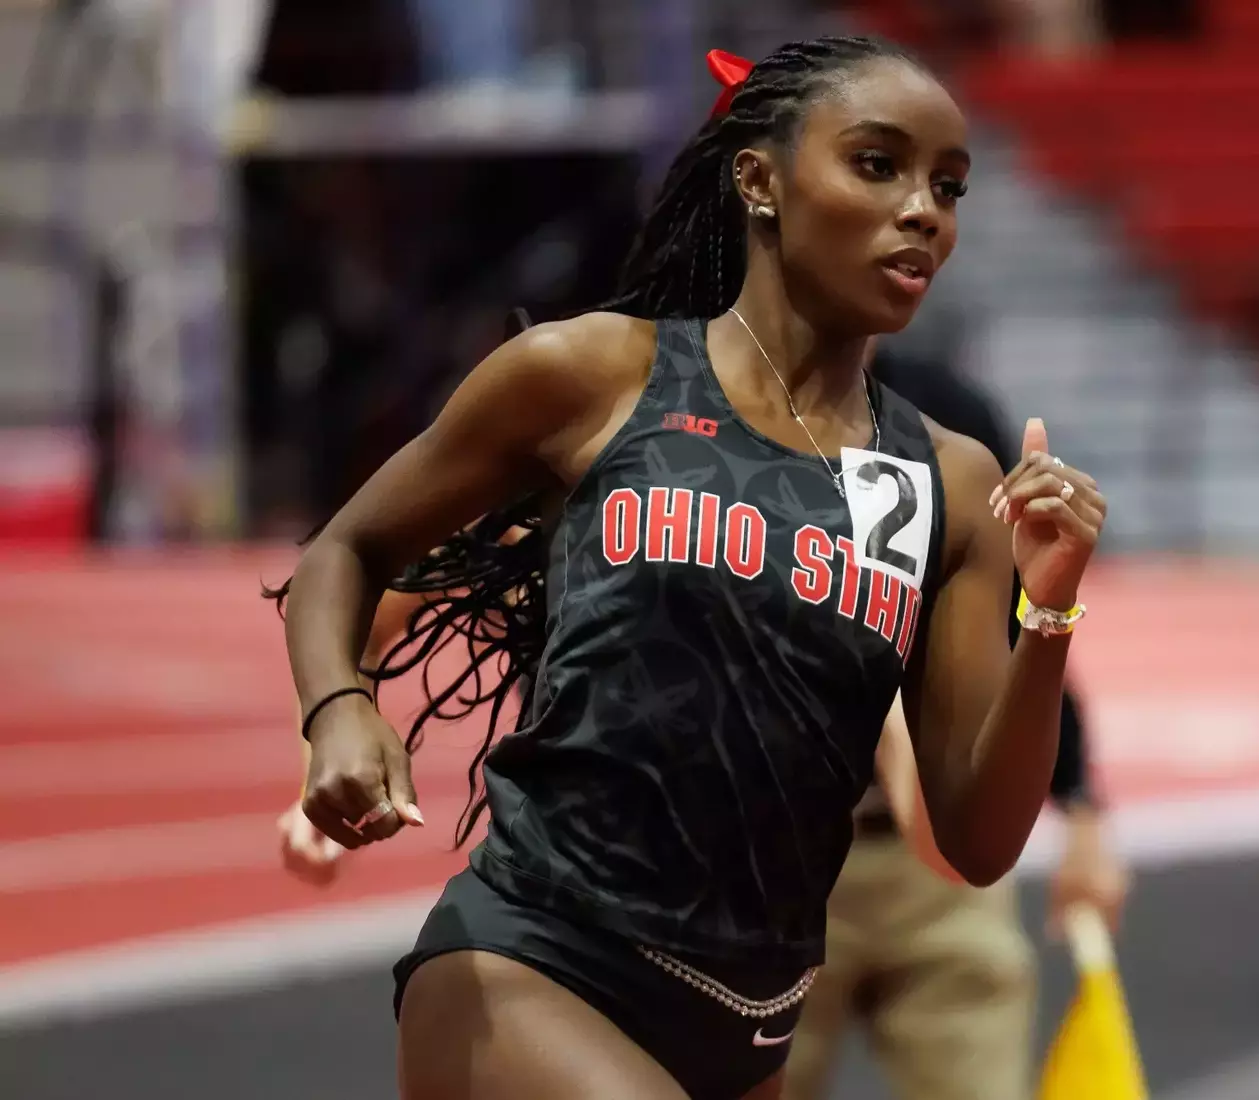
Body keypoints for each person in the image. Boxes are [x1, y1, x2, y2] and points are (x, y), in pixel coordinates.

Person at [270, 35, 1107, 1100]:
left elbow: (980, 841)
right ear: (758, 178)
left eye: (948, 185)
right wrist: (340, 707)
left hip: (750, 1023)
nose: (924, 210)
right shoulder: (593, 378)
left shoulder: (939, 480)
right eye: (877, 163)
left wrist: (1051, 605)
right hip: (534, 960)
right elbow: (345, 549)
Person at [780, 345, 1127, 1100]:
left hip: (935, 886)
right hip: (767, 865)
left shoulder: (949, 425)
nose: (919, 225)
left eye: (945, 215)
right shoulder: (705, 412)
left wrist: (1083, 806)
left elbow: (1021, 631)